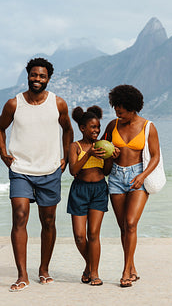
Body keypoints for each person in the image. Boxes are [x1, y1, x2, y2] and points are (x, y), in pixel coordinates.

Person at [0, 57, 73, 292]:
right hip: (20, 171)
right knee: (19, 216)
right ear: (27, 75)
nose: (37, 79)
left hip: (50, 170)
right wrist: (3, 154)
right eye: (34, 75)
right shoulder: (13, 104)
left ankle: (44, 269)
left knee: (48, 221)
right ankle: (22, 275)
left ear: (48, 79)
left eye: (42, 76)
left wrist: (66, 158)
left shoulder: (58, 104)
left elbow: (68, 130)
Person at [102, 84, 161, 288]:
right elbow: (101, 148)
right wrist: (111, 152)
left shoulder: (148, 127)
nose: (118, 112)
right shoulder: (112, 125)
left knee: (131, 223)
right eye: (115, 108)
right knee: (123, 227)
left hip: (138, 177)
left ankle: (126, 271)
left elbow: (155, 156)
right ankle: (132, 267)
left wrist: (143, 176)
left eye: (122, 109)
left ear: (133, 107)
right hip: (116, 178)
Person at [67, 105, 118, 286]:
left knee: (94, 233)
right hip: (79, 190)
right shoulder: (75, 146)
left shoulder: (103, 146)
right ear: (82, 128)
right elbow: (73, 170)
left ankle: (94, 273)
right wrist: (88, 153)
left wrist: (111, 156)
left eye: (98, 127)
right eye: (92, 127)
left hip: (98, 190)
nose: (96, 130)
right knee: (80, 236)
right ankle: (89, 265)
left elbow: (106, 171)